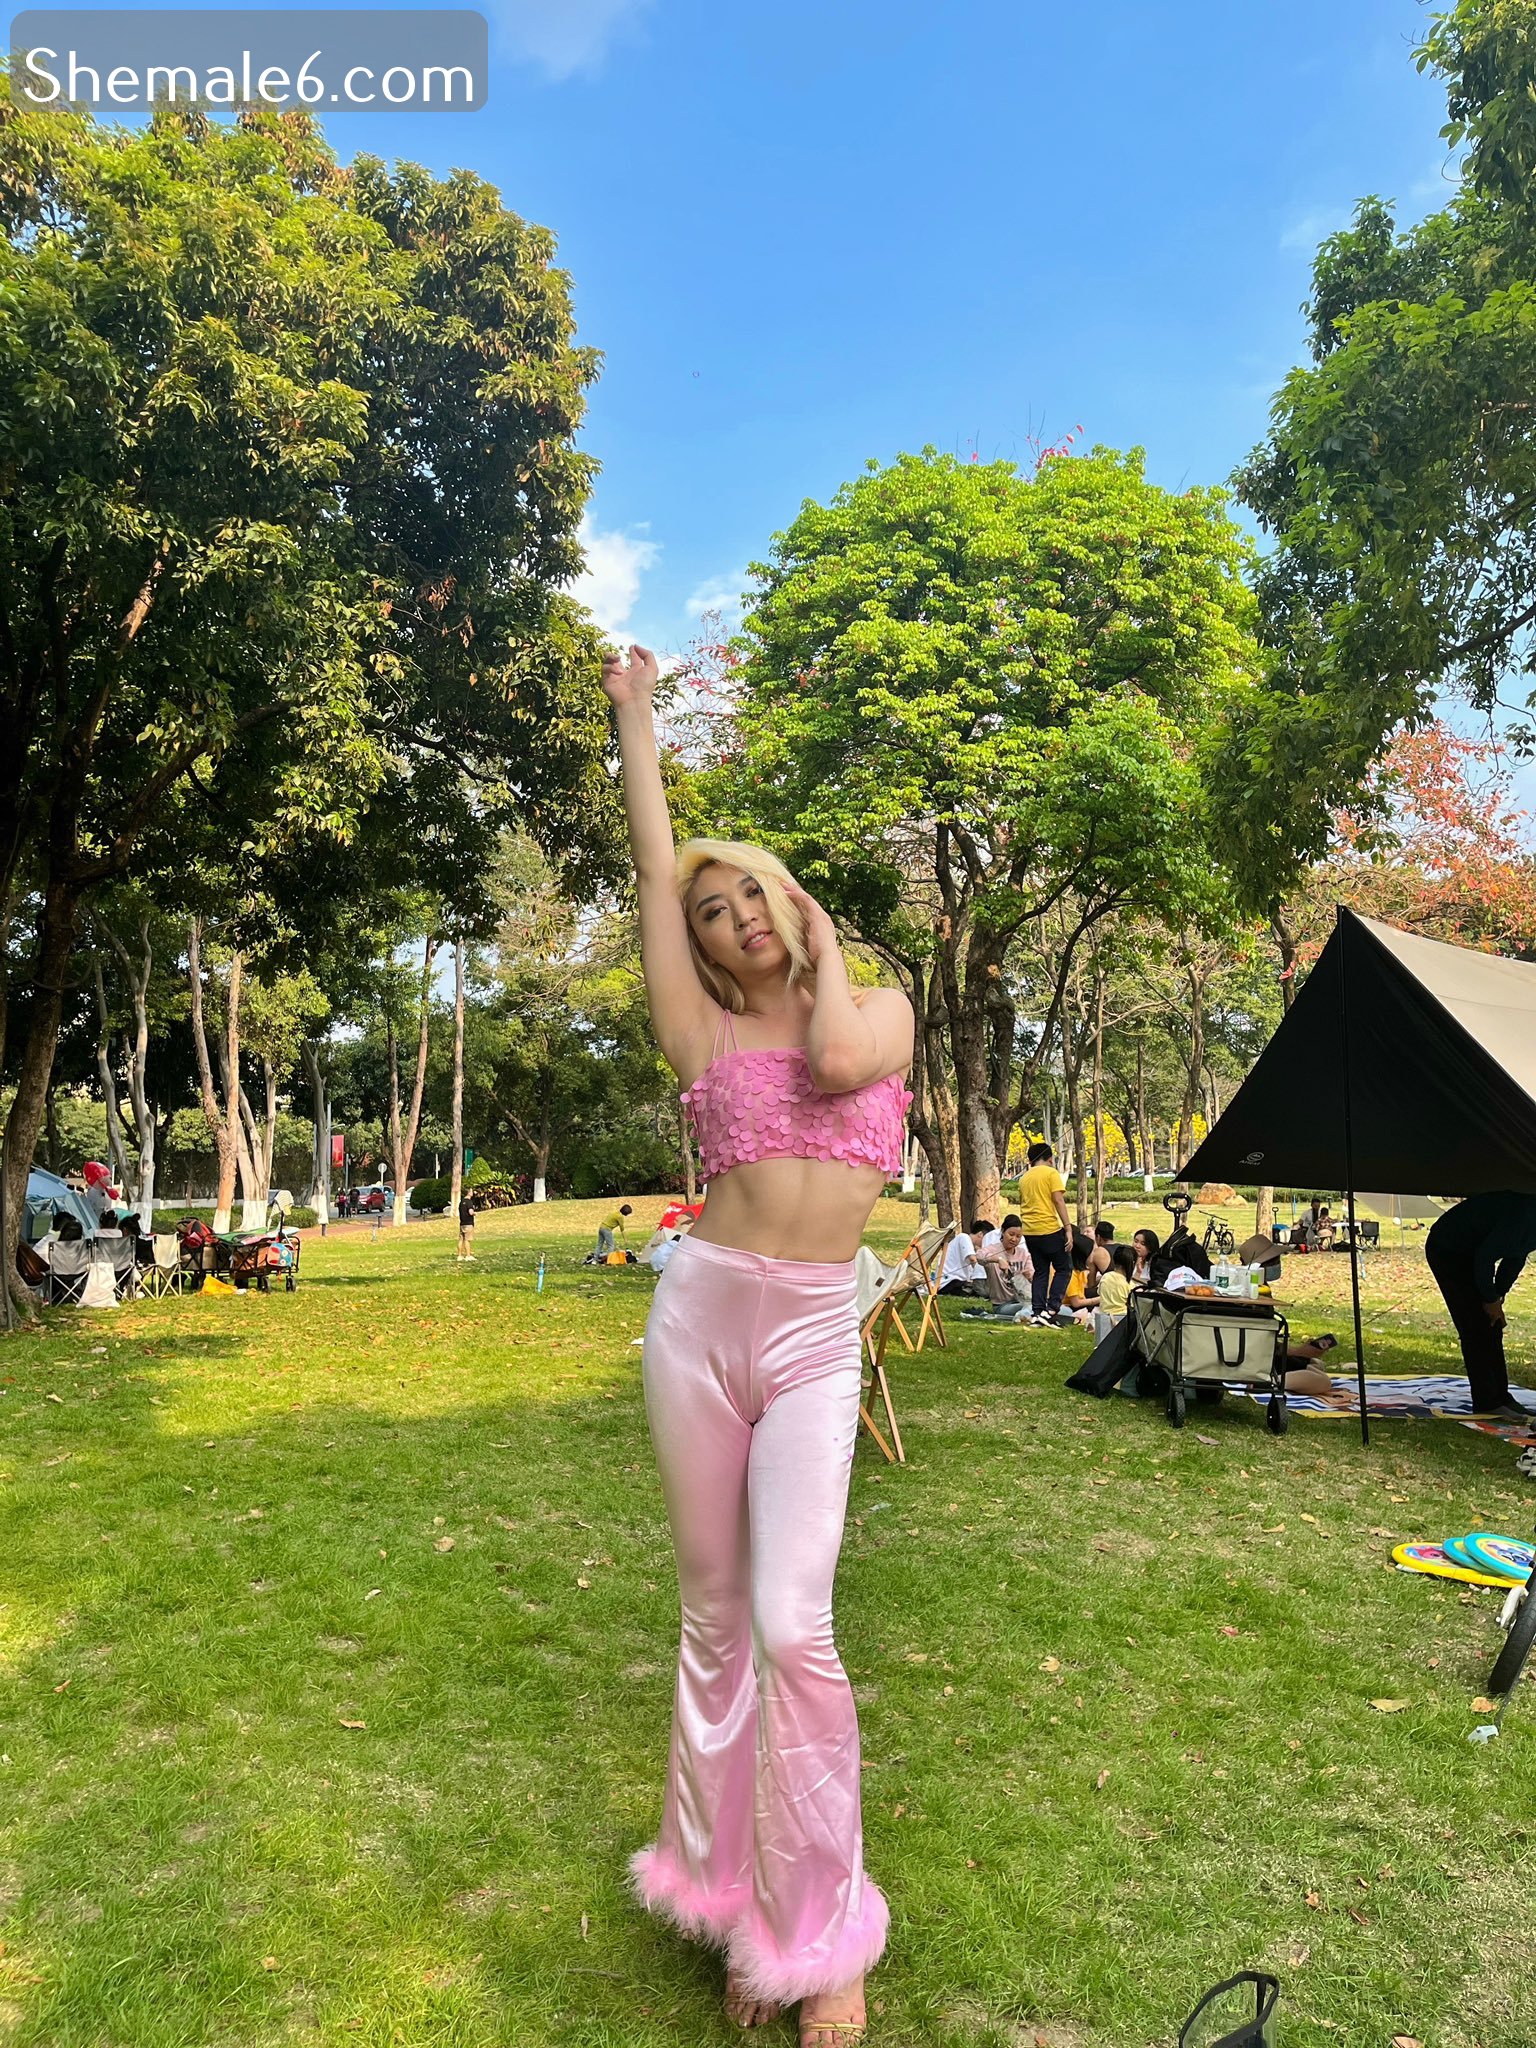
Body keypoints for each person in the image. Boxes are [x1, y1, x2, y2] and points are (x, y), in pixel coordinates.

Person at [604, 643, 913, 2046]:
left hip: (811, 1335)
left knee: (798, 1626)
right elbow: (650, 862)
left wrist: (830, 948)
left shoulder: (884, 1010)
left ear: (792, 901)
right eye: (712, 914)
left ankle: (820, 1931)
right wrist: (636, 719)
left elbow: (840, 1064)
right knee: (717, 1617)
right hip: (701, 1321)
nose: (734, 923)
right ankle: (731, 1893)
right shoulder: (697, 1032)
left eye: (750, 898)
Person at [1425, 1192, 1536, 1419]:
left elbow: (1516, 1256)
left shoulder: (1528, 1224)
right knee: (1475, 1326)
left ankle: (1501, 1397)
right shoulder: (1524, 1216)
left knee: (1492, 1324)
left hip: (1474, 1251)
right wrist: (1489, 1298)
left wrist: (1498, 1294)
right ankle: (1487, 1402)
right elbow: (1485, 1257)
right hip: (1448, 1249)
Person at [1019, 1141, 1072, 1327]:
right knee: (1064, 1268)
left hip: (1029, 1232)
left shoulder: (1024, 1178)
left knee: (1041, 1272)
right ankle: (1051, 1310)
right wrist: (1068, 1228)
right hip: (1048, 1228)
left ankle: (1037, 1312)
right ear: (1050, 1159)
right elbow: (1058, 1200)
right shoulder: (1051, 1173)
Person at [976, 1215, 1033, 1312]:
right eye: (1011, 1234)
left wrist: (1030, 1277)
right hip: (1002, 1305)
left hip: (1024, 1300)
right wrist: (998, 1259)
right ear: (1003, 1231)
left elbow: (1032, 1274)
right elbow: (979, 1256)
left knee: (1045, 1307)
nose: (1014, 1239)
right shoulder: (993, 1249)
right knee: (1032, 1309)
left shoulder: (1024, 1254)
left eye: (1018, 1236)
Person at [938, 1219, 993, 1297]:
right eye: (987, 1239)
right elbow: (973, 1260)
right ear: (980, 1234)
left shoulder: (971, 1245)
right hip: (948, 1282)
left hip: (955, 1282)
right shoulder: (964, 1237)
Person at [1095, 1242, 1137, 1322]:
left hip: (1104, 1318)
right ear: (1133, 1263)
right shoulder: (1130, 1285)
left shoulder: (1105, 1277)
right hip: (1122, 1320)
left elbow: (1099, 1292)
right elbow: (1133, 1306)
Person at [457, 1192, 477, 1261]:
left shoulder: (461, 1202)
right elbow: (470, 1212)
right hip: (468, 1223)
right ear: (469, 1193)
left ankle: (459, 1256)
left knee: (461, 1239)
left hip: (462, 1223)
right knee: (467, 1240)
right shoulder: (469, 1202)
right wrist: (474, 1213)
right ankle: (468, 1256)